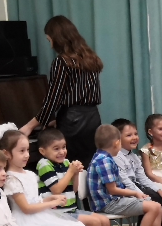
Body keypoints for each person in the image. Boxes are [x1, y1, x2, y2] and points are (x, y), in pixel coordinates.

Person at [20, 16, 103, 165]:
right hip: (92, 118)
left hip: (73, 122)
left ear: (57, 38)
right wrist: (58, 119)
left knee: (69, 165)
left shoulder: (62, 61)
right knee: (87, 164)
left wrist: (30, 126)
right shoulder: (91, 58)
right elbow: (81, 95)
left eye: (49, 40)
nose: (51, 45)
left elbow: (53, 99)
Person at [87, 125, 162, 226]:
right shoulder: (104, 161)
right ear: (117, 143)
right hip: (108, 203)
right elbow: (113, 190)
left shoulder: (103, 157)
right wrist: (135, 193)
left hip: (115, 199)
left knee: (156, 205)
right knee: (153, 207)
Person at [35, 127, 112, 226]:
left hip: (71, 210)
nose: (62, 152)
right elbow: (57, 189)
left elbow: (74, 190)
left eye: (63, 147)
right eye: (56, 149)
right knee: (95, 222)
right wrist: (71, 172)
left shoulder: (65, 163)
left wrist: (75, 174)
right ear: (43, 151)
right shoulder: (44, 165)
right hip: (56, 214)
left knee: (105, 221)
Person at [112, 118, 162, 226]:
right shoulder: (116, 157)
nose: (134, 138)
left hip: (137, 186)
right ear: (117, 139)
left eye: (136, 134)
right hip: (125, 190)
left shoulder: (134, 157)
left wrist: (159, 190)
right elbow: (126, 182)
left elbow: (142, 178)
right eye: (129, 135)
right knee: (153, 201)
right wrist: (141, 194)